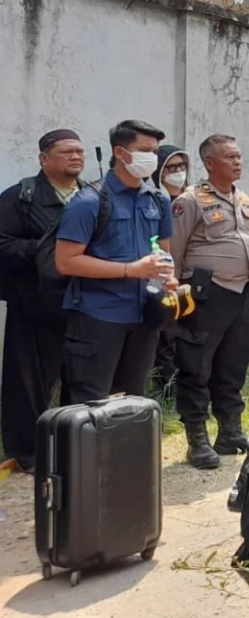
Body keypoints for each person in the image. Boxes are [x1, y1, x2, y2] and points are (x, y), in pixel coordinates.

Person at [55, 120, 178, 405]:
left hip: (144, 316)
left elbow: (164, 251)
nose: (152, 157)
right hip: (98, 317)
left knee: (133, 402)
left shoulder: (158, 200)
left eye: (155, 151)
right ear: (120, 153)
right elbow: (66, 261)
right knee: (91, 404)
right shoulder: (89, 201)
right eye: (144, 150)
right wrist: (130, 270)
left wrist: (168, 277)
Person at [166, 134, 249, 468]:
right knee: (197, 365)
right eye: (230, 157)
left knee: (234, 363)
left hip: (241, 292)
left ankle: (230, 432)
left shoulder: (243, 197)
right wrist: (175, 293)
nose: (238, 161)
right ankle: (197, 440)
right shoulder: (190, 200)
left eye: (239, 156)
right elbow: (173, 250)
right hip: (204, 293)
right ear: (209, 163)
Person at [0, 129, 85, 471]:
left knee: (81, 380)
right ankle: (27, 453)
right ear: (44, 159)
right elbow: (2, 244)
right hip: (34, 304)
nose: (75, 156)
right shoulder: (21, 197)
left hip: (83, 303)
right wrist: (45, 250)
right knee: (27, 383)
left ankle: (76, 445)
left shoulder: (92, 196)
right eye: (67, 152)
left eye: (79, 151)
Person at [147, 143, 192, 393]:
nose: (178, 172)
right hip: (165, 277)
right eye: (171, 167)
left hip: (193, 277)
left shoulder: (195, 198)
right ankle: (167, 388)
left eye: (181, 166)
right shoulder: (154, 201)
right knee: (167, 334)